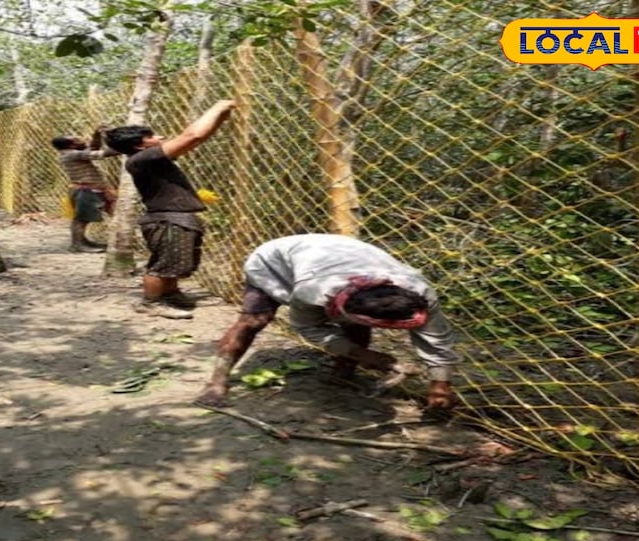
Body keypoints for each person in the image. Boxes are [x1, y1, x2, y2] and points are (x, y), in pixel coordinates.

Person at [195, 233, 460, 409]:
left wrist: (440, 385)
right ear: (341, 306)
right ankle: (217, 381)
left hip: (336, 256)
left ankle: (342, 376)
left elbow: (436, 339)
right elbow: (306, 327)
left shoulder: (419, 293)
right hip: (274, 262)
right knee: (254, 320)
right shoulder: (312, 290)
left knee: (355, 328)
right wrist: (362, 353)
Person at [104, 100, 236, 320]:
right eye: (152, 136)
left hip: (173, 217)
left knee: (177, 260)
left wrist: (222, 117)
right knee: (164, 263)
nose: (161, 138)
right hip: (167, 219)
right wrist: (218, 107)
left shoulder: (147, 159)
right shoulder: (144, 158)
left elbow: (197, 139)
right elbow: (191, 137)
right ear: (140, 145)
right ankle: (150, 303)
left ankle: (171, 294)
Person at [51, 126, 120, 253]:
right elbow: (102, 154)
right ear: (71, 145)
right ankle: (77, 244)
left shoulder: (72, 153)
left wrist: (97, 135)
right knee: (82, 219)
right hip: (85, 190)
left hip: (92, 188)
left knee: (85, 218)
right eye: (76, 139)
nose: (81, 139)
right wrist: (128, 146)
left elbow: (93, 148)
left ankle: (82, 241)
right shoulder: (72, 154)